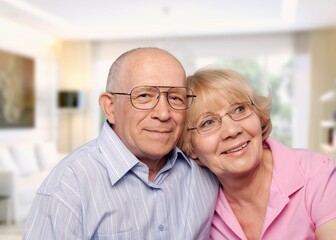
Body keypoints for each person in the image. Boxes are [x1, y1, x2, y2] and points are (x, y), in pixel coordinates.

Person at [23, 48, 219, 239]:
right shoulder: (69, 186)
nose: (163, 113)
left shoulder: (204, 168)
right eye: (144, 96)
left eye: (175, 97)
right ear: (110, 107)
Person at [178, 67, 336, 239]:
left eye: (239, 109)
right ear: (190, 146)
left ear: (258, 116)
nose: (232, 130)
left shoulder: (317, 172)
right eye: (207, 122)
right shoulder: (195, 208)